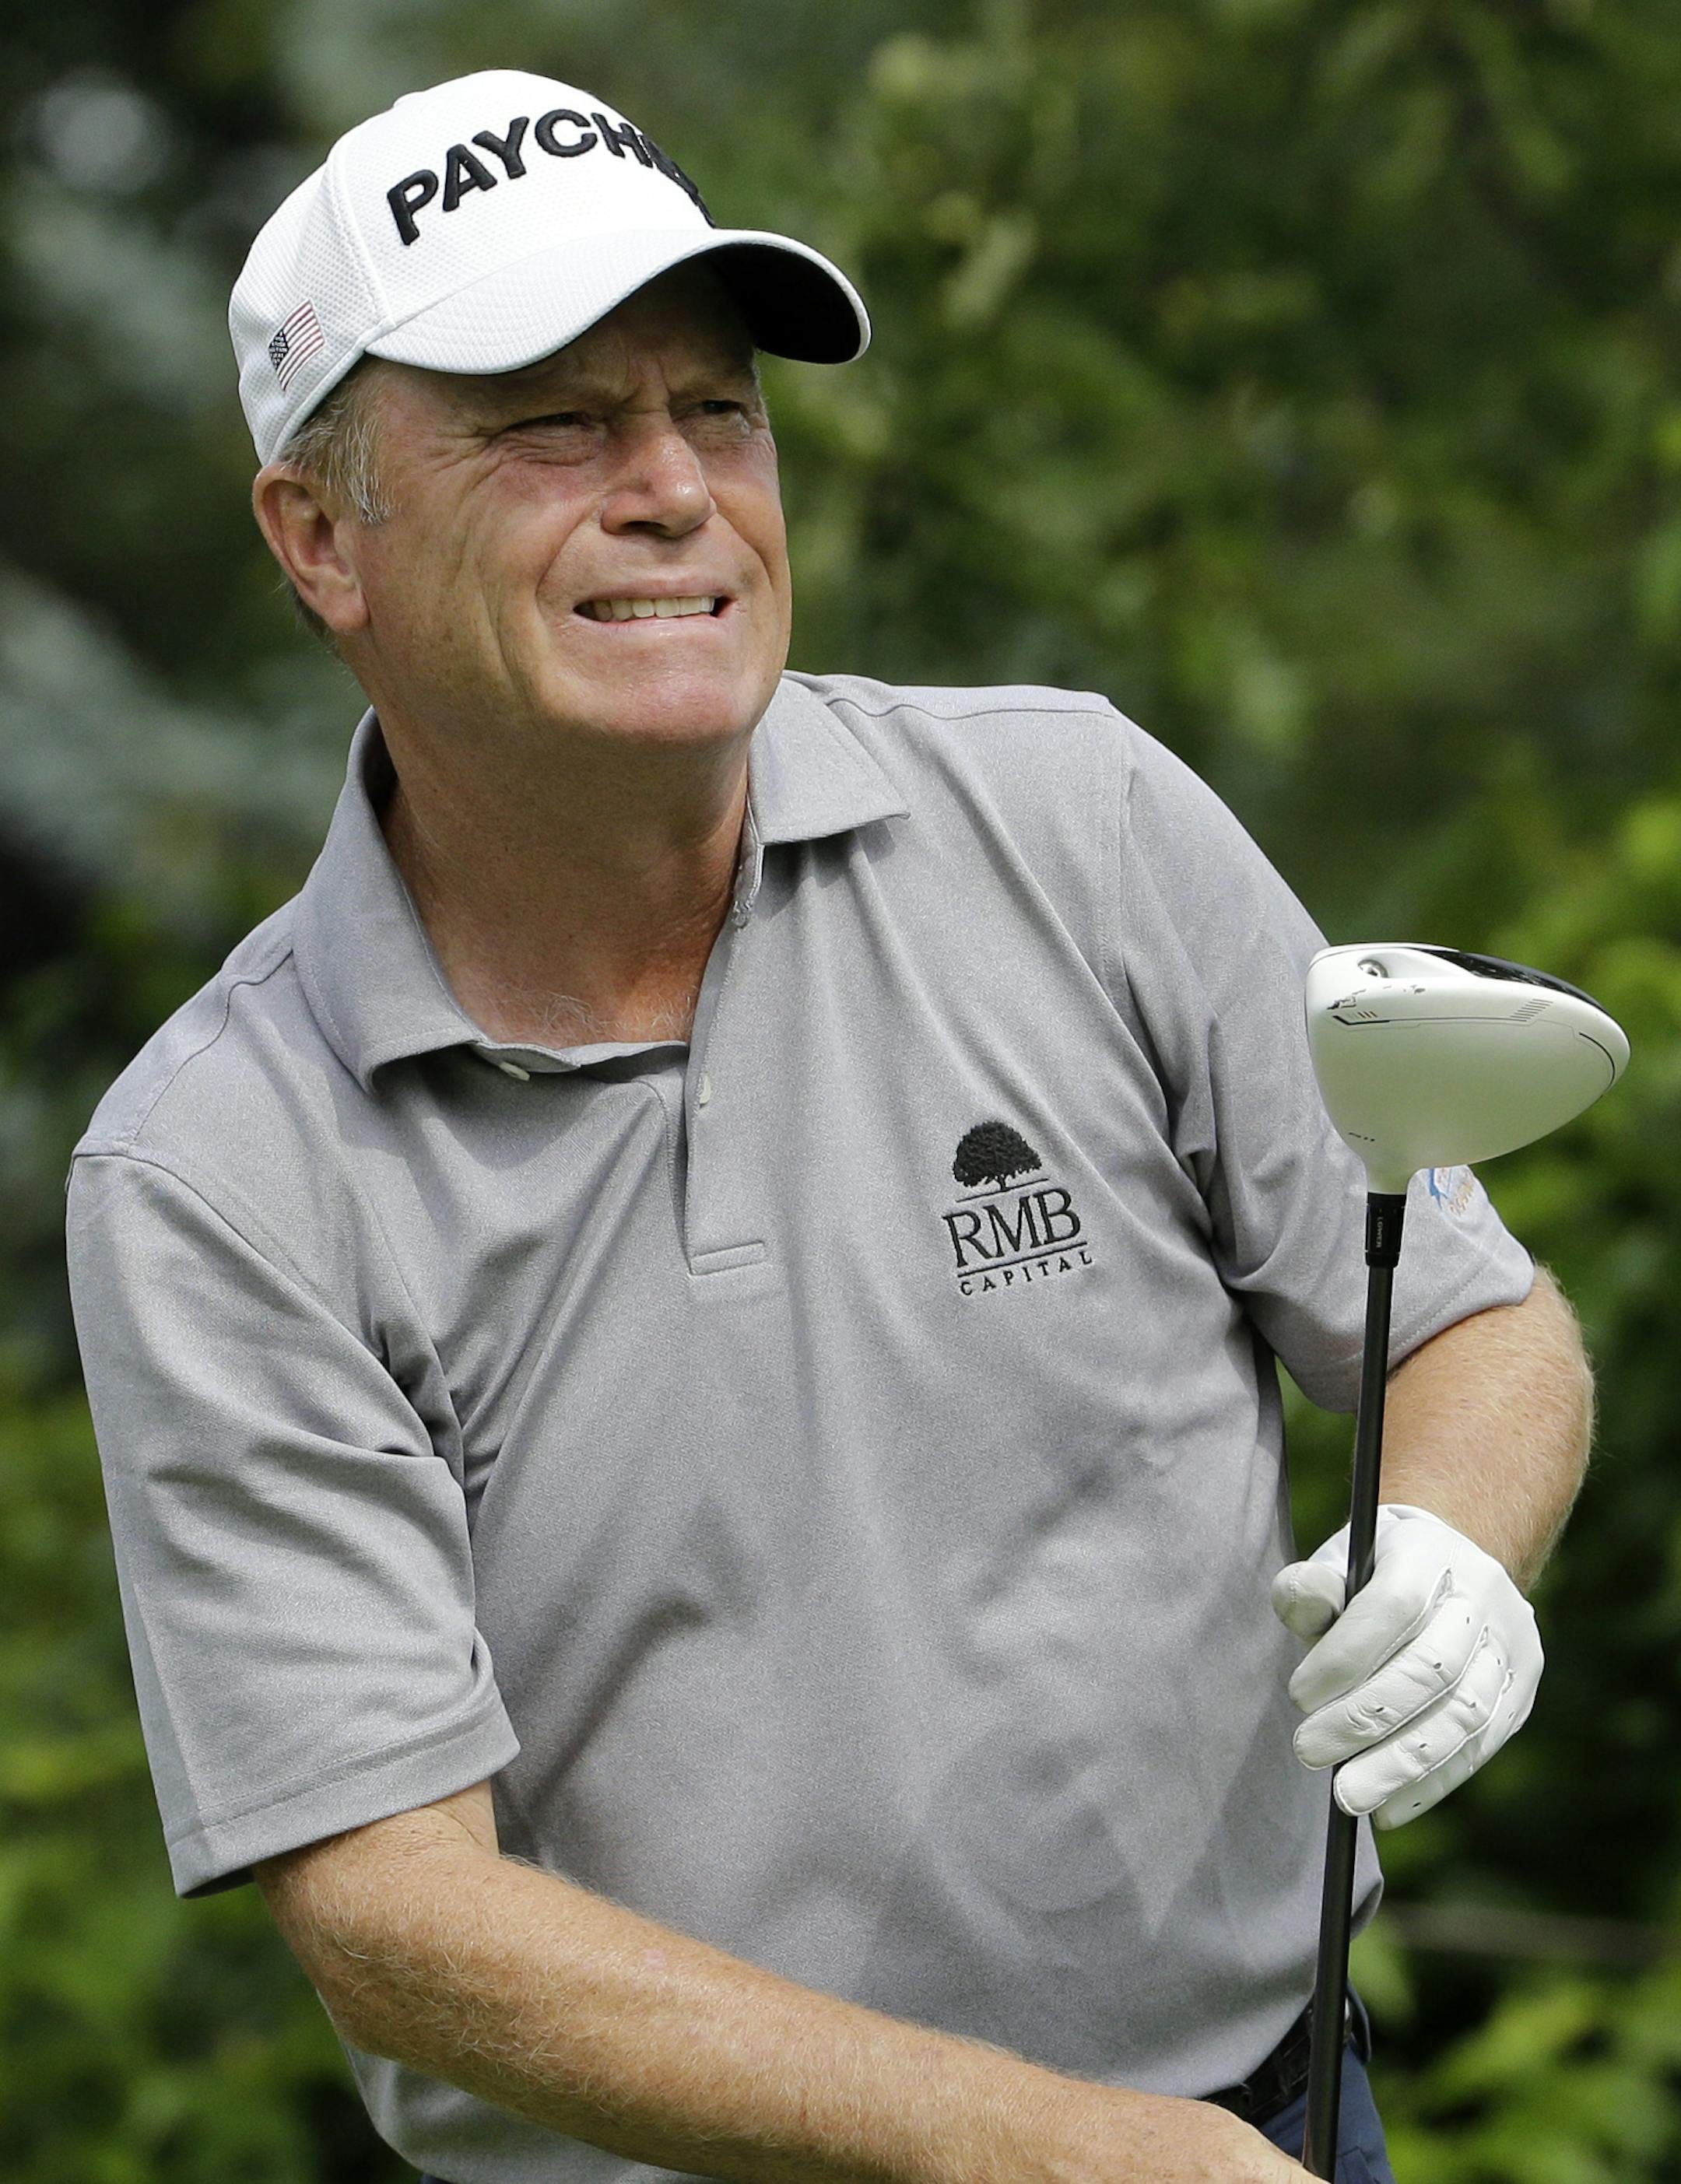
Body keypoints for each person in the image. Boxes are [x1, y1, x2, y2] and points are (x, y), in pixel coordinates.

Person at [65, 68, 1592, 2184]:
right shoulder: (220, 1166)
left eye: (720, 410)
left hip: (1270, 2124)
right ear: (323, 537)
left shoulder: (1081, 820)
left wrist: (1453, 1546)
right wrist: (1039, 2150)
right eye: (554, 426)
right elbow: (395, 1918)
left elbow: (1466, 1323)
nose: (675, 487)